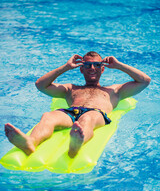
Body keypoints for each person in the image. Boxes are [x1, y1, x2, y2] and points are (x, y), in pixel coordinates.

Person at [5, 51, 151, 158]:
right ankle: (31, 143)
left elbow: (145, 80)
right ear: (81, 69)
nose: (92, 68)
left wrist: (119, 65)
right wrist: (66, 67)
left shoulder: (115, 90)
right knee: (48, 116)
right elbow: (40, 85)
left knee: (87, 119)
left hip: (96, 113)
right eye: (87, 65)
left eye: (96, 65)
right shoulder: (71, 88)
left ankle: (75, 146)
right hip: (71, 112)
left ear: (102, 68)